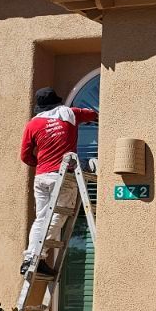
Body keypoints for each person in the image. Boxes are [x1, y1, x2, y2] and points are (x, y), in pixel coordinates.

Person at [20, 86, 98, 275]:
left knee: (41, 218)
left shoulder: (33, 124)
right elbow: (92, 114)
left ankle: (32, 258)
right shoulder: (70, 114)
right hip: (63, 176)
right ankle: (36, 256)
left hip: (42, 177)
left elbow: (25, 155)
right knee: (57, 217)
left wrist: (41, 163)